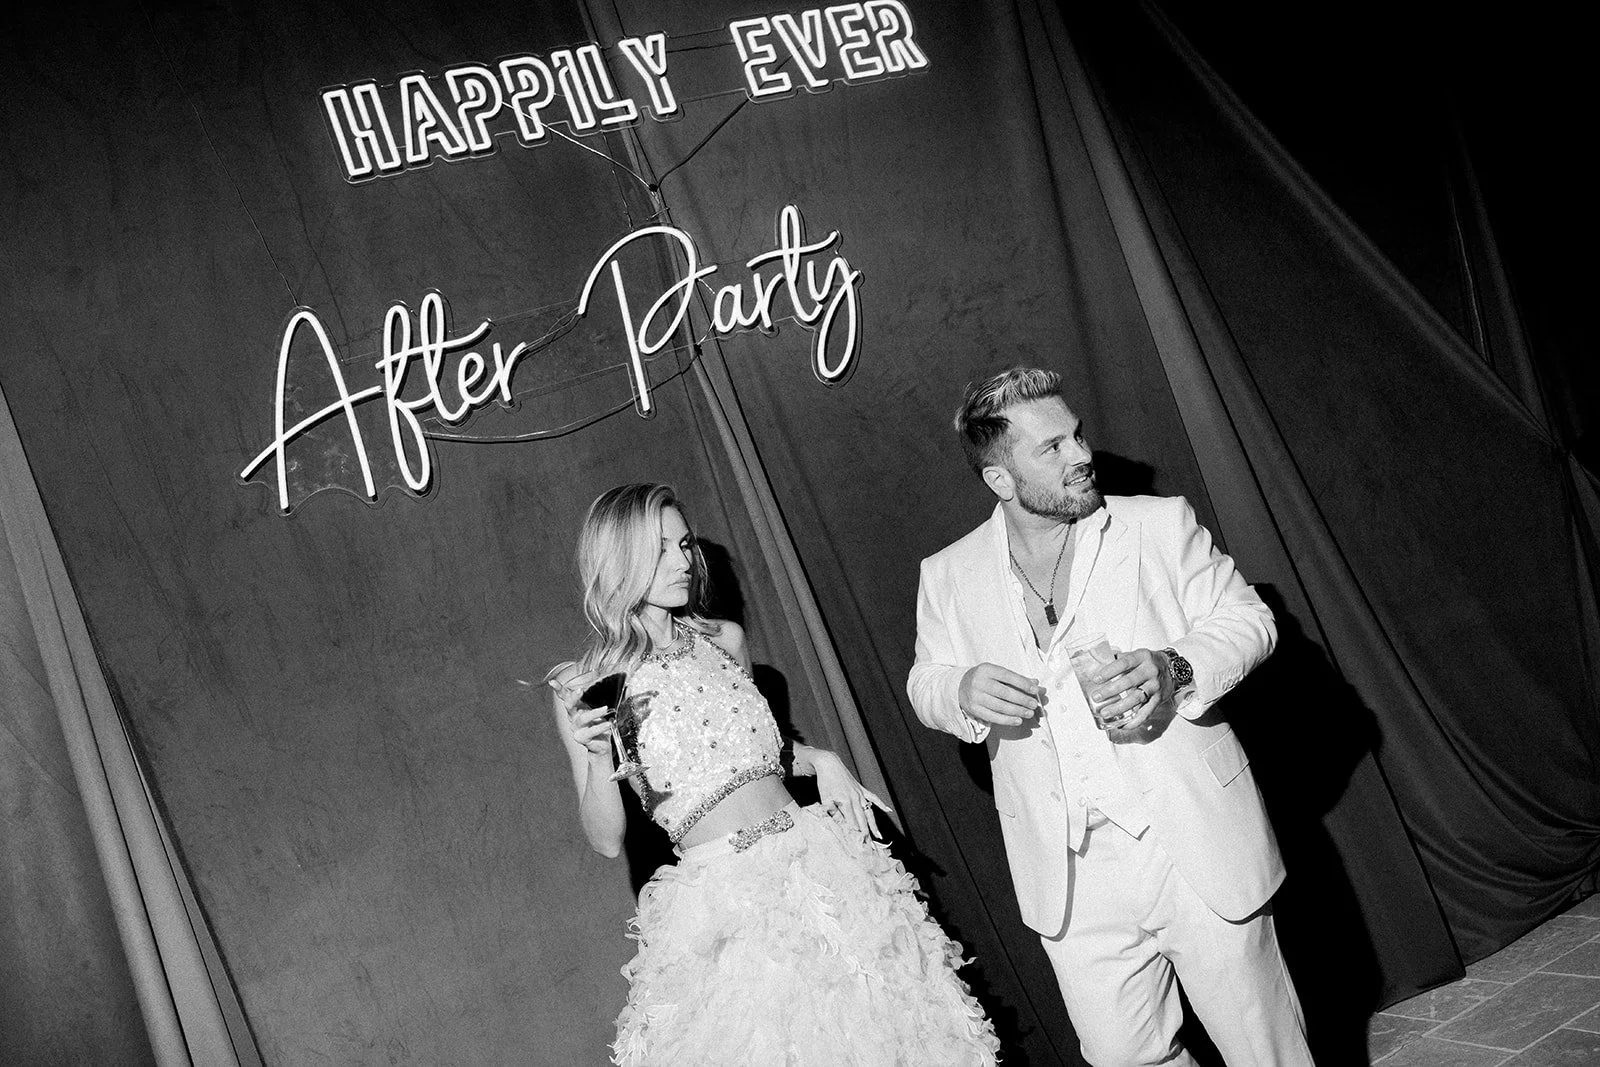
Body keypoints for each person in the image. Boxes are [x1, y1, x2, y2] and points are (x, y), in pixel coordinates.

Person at [907, 367, 1312, 1066]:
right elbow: (925, 681)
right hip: (1069, 873)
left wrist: (1175, 666)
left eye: (1077, 434)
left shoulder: (1158, 523)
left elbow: (1251, 619)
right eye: (1052, 448)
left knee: (1264, 1049)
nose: (1081, 454)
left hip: (1189, 841)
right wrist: (961, 688)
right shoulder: (949, 573)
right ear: (1001, 479)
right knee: (1127, 1059)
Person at [549, 483, 1000, 1066]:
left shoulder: (724, 639)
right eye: (662, 549)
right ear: (621, 557)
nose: (684, 562)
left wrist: (825, 761)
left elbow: (754, 750)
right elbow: (607, 840)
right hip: (725, 900)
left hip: (817, 863)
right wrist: (595, 755)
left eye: (685, 545)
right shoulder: (584, 686)